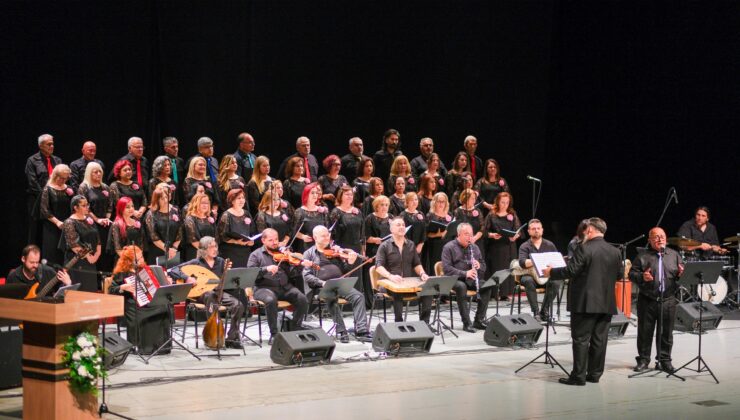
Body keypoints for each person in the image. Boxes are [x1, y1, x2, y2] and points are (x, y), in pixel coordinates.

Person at [543, 217, 623, 386]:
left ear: (590, 230)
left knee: (580, 339)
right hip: (606, 303)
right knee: (599, 340)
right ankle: (594, 374)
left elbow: (571, 271)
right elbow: (619, 275)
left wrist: (551, 272)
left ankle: (578, 376)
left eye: (586, 229)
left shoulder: (584, 248)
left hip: (585, 302)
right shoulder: (615, 251)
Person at [169, 237, 245, 349]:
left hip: (218, 292)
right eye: (211, 247)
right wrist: (187, 278)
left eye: (216, 246)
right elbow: (173, 270)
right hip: (201, 294)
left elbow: (224, 281)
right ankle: (214, 335)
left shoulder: (221, 262)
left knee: (238, 305)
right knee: (210, 296)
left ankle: (232, 337)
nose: (215, 249)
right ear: (203, 249)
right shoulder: (197, 263)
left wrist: (227, 274)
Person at [302, 225, 372, 343]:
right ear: (315, 237)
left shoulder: (336, 251)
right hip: (320, 287)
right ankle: (341, 331)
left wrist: (350, 263)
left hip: (339, 284)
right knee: (331, 298)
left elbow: (345, 272)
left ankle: (362, 330)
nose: (326, 238)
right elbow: (307, 276)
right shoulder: (309, 254)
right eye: (323, 236)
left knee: (358, 296)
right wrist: (322, 283)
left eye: (328, 235)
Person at [629, 227, 683, 373]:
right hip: (648, 300)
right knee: (645, 332)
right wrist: (642, 277)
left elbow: (681, 276)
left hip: (668, 300)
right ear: (650, 240)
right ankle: (643, 360)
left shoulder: (674, 255)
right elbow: (631, 274)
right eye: (656, 236)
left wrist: (681, 274)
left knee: (666, 333)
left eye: (662, 236)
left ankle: (665, 360)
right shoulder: (642, 256)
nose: (660, 239)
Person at [247, 228, 309, 344]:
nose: (275, 242)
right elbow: (250, 274)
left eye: (276, 239)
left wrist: (300, 265)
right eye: (271, 240)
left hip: (285, 288)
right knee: (271, 300)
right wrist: (266, 269)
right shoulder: (255, 255)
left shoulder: (283, 254)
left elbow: (292, 274)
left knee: (302, 299)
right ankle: (274, 334)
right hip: (263, 288)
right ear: (263, 240)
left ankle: (294, 329)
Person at [109, 245, 172, 355]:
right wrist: (122, 288)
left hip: (147, 301)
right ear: (130, 261)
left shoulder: (145, 270)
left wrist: (166, 281)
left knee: (163, 306)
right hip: (133, 304)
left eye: (142, 257)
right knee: (146, 312)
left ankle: (162, 346)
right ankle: (144, 347)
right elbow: (111, 289)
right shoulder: (121, 273)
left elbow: (154, 287)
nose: (142, 260)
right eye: (139, 258)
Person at [375, 217, 432, 323]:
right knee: (397, 292)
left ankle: (425, 323)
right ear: (391, 229)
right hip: (389, 284)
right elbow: (378, 266)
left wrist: (422, 273)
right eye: (398, 225)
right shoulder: (384, 246)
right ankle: (399, 323)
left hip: (407, 283)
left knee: (428, 290)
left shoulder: (410, 244)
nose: (401, 227)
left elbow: (417, 264)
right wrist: (390, 276)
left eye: (403, 225)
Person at [442, 223, 490, 332]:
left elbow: (484, 266)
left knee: (487, 285)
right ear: (459, 234)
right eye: (466, 234)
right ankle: (466, 323)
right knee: (461, 287)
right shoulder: (448, 247)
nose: (470, 237)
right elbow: (447, 269)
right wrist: (465, 273)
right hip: (453, 279)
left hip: (470, 279)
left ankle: (479, 320)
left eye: (471, 235)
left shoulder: (474, 247)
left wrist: (479, 265)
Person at [516, 219, 561, 320]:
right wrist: (539, 260)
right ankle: (535, 312)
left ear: (542, 230)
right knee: (527, 280)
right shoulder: (524, 246)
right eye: (533, 229)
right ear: (529, 231)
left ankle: (544, 311)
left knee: (557, 281)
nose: (536, 230)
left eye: (538, 228)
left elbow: (556, 261)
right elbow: (522, 263)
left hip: (546, 276)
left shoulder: (550, 245)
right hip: (530, 276)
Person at [26, 134, 63, 243]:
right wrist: (46, 195)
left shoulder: (57, 160)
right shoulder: (32, 160)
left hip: (55, 200)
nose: (52, 146)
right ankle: (33, 257)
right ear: (41, 145)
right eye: (49, 144)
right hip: (37, 200)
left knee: (52, 229)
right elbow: (32, 182)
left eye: (52, 144)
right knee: (35, 229)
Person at [483, 192, 521, 298]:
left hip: (509, 246)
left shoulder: (512, 214)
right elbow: (484, 231)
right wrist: (492, 235)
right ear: (498, 202)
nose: (505, 205)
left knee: (508, 268)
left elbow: (518, 230)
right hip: (496, 247)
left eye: (507, 202)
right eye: (502, 202)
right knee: (497, 268)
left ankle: (506, 293)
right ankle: (496, 293)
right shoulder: (492, 214)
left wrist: (515, 236)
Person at [77, 162, 113, 273]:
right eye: (95, 172)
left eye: (100, 172)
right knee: (95, 249)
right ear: (89, 173)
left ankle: (106, 278)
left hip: (105, 223)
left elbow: (110, 205)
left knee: (106, 252)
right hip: (91, 223)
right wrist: (97, 219)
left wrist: (107, 218)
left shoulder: (105, 187)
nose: (98, 174)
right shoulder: (84, 187)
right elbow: (84, 207)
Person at [62, 195, 102, 291]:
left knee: (91, 290)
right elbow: (74, 244)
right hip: (77, 261)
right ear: (75, 208)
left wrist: (97, 254)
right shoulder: (69, 222)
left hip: (91, 261)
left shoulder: (89, 219)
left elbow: (97, 238)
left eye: (87, 205)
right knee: (79, 291)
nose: (87, 207)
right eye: (83, 205)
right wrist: (89, 257)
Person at [38, 164, 73, 265]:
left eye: (65, 178)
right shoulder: (47, 189)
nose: (63, 180)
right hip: (52, 226)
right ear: (55, 176)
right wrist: (57, 222)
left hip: (66, 225)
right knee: (53, 252)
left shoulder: (68, 188)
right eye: (61, 178)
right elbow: (44, 210)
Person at [363, 195, 392, 307]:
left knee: (386, 274)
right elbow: (365, 236)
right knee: (372, 276)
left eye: (386, 205)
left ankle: (387, 301)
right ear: (376, 206)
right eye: (382, 205)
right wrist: (375, 240)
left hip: (388, 251)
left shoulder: (391, 217)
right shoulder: (370, 218)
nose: (384, 207)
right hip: (374, 250)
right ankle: (371, 303)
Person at [144, 183, 182, 265]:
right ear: (156, 200)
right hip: (157, 250)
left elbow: (180, 230)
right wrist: (167, 249)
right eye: (162, 198)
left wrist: (174, 248)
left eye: (166, 197)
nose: (165, 200)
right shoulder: (151, 214)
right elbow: (153, 236)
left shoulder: (175, 210)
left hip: (173, 251)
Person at [216, 189, 255, 267]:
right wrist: (236, 241)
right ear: (232, 201)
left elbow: (252, 231)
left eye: (243, 198)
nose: (242, 200)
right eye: (238, 198)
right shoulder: (226, 215)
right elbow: (221, 236)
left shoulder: (246, 213)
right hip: (231, 251)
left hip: (245, 250)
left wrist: (252, 241)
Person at [291, 183, 329, 253]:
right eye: (312, 193)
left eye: (316, 193)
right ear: (306, 194)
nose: (315, 195)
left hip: (322, 246)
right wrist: (302, 236)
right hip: (306, 247)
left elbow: (327, 228)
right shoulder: (299, 212)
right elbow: (293, 231)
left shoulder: (322, 211)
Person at [107, 197, 146, 264]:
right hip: (124, 261)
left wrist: (138, 259)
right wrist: (131, 261)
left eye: (132, 206)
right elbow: (118, 248)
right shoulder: (117, 224)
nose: (131, 209)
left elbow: (141, 243)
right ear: (121, 209)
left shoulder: (137, 222)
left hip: (138, 260)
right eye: (127, 207)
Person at [424, 192, 452, 278]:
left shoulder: (450, 215)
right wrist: (437, 234)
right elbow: (426, 234)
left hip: (447, 245)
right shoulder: (430, 215)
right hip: (435, 246)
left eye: (443, 201)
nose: (441, 204)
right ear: (434, 202)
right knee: (435, 269)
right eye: (438, 201)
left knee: (447, 269)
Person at [182, 193, 217, 261]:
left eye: (207, 203)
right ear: (196, 203)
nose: (205, 205)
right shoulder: (190, 219)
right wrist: (207, 252)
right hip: (195, 254)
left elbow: (215, 236)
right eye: (202, 203)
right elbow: (193, 240)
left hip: (210, 254)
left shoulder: (209, 218)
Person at [329, 186, 364, 253]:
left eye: (351, 195)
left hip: (357, 248)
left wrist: (363, 248)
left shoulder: (358, 211)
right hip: (342, 248)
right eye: (347, 194)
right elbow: (332, 233)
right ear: (340, 196)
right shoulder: (336, 212)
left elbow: (362, 231)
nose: (349, 196)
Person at [162, 136, 185, 204]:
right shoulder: (162, 161)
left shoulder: (180, 161)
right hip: (168, 192)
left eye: (177, 146)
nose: (176, 149)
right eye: (173, 147)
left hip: (180, 192)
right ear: (166, 149)